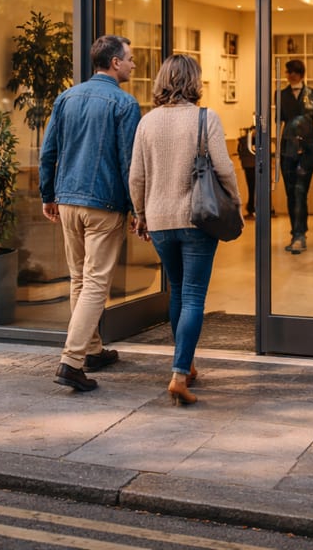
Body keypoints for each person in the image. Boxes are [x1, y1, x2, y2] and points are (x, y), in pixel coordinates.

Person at [129, 55, 241, 406]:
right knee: (193, 295)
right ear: (195, 82)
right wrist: (235, 202)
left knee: (177, 291)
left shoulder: (147, 122)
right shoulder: (205, 118)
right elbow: (223, 168)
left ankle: (187, 363)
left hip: (160, 221)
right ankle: (178, 375)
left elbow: (136, 177)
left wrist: (141, 213)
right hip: (197, 218)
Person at [40, 34, 141, 392]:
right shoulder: (125, 104)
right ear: (114, 62)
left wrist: (48, 194)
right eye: (130, 58)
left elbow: (48, 150)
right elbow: (129, 162)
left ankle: (93, 350)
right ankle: (71, 361)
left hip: (67, 201)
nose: (133, 63)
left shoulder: (66, 97)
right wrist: (136, 208)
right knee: (96, 282)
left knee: (79, 279)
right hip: (104, 204)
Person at [277, 58, 313, 254]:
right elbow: (278, 122)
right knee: (290, 193)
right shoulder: (280, 95)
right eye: (288, 72)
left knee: (300, 191)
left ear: (301, 73)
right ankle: (295, 232)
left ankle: (300, 234)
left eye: (294, 72)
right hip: (287, 148)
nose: (290, 75)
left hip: (307, 149)